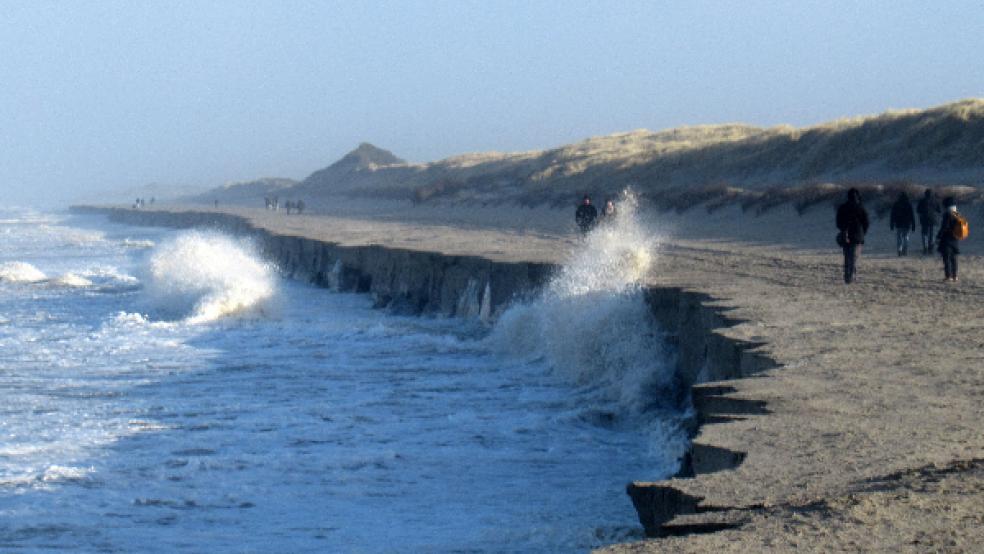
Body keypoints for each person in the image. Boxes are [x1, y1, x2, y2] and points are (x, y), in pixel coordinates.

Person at [836, 188, 869, 284]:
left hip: (846, 236)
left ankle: (847, 277)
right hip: (858, 236)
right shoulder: (861, 207)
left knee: (847, 257)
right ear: (857, 196)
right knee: (854, 257)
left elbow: (838, 223)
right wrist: (863, 233)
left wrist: (843, 229)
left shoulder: (843, 207)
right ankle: (851, 277)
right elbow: (866, 223)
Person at [936, 197, 961, 282]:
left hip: (947, 239)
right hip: (955, 239)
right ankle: (955, 276)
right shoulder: (957, 213)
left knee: (947, 258)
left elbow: (944, 227)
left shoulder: (947, 214)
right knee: (954, 258)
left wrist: (939, 236)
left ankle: (948, 276)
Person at [889, 191, 915, 256]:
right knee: (906, 237)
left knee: (899, 237)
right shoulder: (909, 204)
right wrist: (913, 224)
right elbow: (912, 215)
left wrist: (891, 223)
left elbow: (893, 214)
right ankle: (905, 251)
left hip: (899, 223)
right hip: (907, 223)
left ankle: (899, 250)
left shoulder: (896, 204)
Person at [916, 188, 942, 255]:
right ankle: (931, 246)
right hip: (933, 219)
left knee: (924, 234)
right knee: (932, 233)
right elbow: (939, 210)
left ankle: (925, 247)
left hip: (924, 219)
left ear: (925, 194)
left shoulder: (922, 201)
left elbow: (918, 210)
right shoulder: (935, 201)